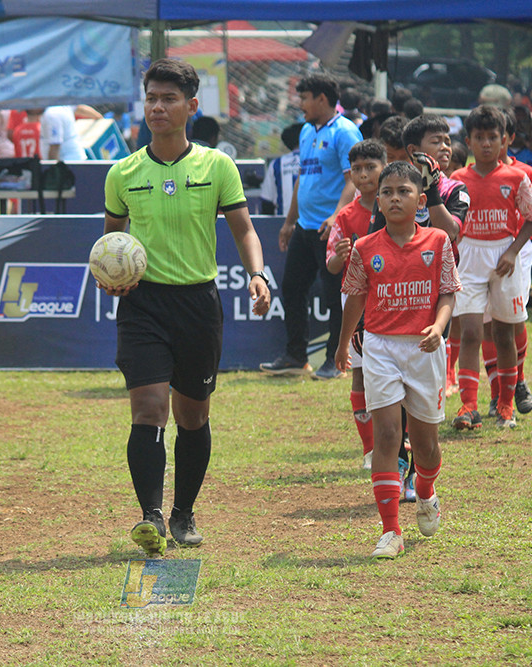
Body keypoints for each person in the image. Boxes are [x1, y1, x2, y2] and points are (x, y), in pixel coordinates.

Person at [102, 59, 271, 556]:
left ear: (191, 106)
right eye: (152, 97)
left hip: (198, 303)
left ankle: (183, 513)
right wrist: (110, 278)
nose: (158, 106)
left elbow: (243, 229)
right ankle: (151, 516)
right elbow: (111, 243)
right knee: (149, 409)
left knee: (193, 416)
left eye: (169, 98)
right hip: (144, 303)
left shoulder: (217, 166)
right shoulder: (123, 172)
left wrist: (258, 274)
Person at [334, 160, 461, 560]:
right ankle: (391, 531)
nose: (393, 198)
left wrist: (439, 327)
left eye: (403, 191)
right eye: (386, 192)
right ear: (379, 202)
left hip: (424, 349)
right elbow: (355, 297)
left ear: (421, 200)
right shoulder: (366, 248)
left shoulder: (438, 241)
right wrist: (341, 347)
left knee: (426, 446)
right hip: (380, 347)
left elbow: (448, 292)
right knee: (387, 435)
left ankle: (425, 490)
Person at [260, 72, 361, 380]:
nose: (300, 103)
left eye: (304, 98)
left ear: (321, 98)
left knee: (334, 296)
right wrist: (290, 221)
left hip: (331, 229)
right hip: (305, 226)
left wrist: (336, 216)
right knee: (292, 288)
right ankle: (296, 355)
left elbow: (353, 179)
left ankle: (336, 359)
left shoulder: (345, 132)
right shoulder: (306, 131)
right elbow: (303, 178)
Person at [450, 105, 532, 430]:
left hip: (504, 256)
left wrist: (514, 250)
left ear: (504, 140)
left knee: (505, 335)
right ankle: (468, 406)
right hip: (469, 256)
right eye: (480, 138)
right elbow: (448, 220)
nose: (487, 143)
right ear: (469, 141)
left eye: (493, 137)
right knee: (471, 331)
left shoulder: (516, 178)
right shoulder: (457, 179)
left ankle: (505, 404)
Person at [324, 139, 385, 470]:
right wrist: (340, 255)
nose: (363, 175)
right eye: (357, 169)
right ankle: (369, 449)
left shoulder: (396, 206)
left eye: (370, 168)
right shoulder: (346, 217)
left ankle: (394, 441)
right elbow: (332, 266)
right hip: (357, 299)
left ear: (383, 168)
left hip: (391, 297)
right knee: (360, 373)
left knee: (387, 373)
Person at [259, 122, 302, 216]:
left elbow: (267, 202)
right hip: (313, 225)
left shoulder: (277, 164)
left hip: (282, 223)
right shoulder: (316, 160)